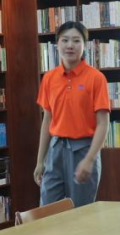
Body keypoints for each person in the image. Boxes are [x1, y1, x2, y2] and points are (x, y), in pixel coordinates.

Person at [35, 21, 110, 207]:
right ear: (57, 44)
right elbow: (47, 121)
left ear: (84, 45)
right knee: (47, 210)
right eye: (65, 40)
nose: (70, 45)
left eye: (76, 41)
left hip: (83, 150)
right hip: (55, 150)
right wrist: (40, 161)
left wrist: (90, 159)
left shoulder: (96, 78)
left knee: (80, 213)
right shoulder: (49, 78)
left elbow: (103, 123)